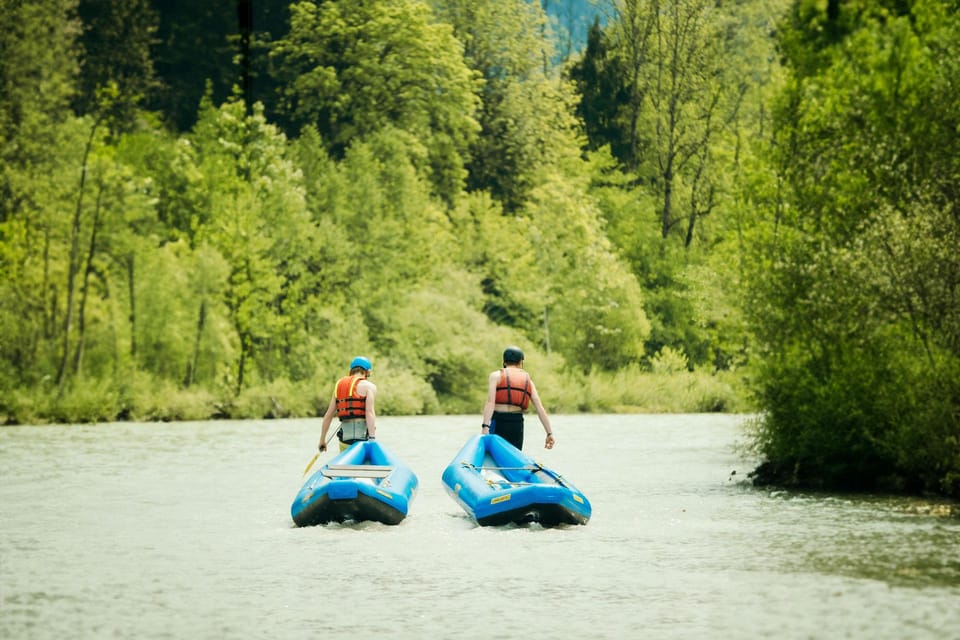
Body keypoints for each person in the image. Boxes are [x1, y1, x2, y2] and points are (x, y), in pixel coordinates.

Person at [481, 346, 555, 451]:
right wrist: (549, 433)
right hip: (516, 424)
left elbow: (490, 403)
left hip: (498, 421)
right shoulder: (528, 380)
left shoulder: (495, 376)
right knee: (513, 452)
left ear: (504, 362)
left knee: (494, 452)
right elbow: (539, 408)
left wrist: (485, 427)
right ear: (520, 362)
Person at [318, 356, 377, 452]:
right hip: (362, 440)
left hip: (344, 441)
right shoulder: (370, 387)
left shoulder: (339, 386)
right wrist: (372, 439)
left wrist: (322, 440)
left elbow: (328, 415)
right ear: (367, 372)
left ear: (351, 371)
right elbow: (369, 412)